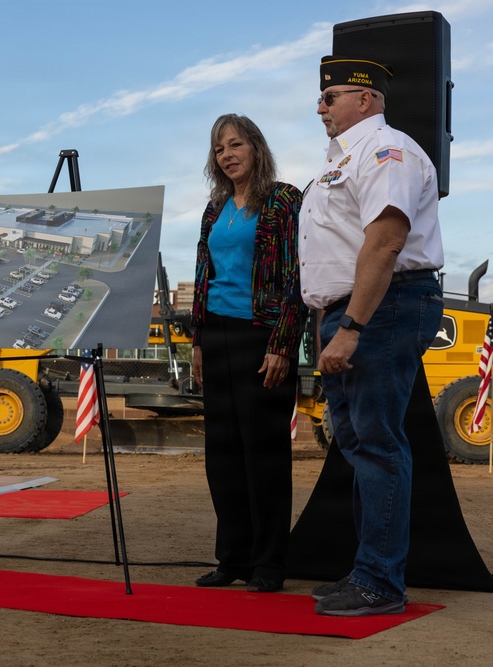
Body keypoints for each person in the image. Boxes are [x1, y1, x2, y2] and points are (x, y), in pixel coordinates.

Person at [299, 56, 444, 616]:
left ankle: (381, 582)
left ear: (367, 99)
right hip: (350, 311)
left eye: (330, 96)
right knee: (358, 445)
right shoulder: (340, 161)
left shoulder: (389, 151)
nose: (320, 107)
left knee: (378, 444)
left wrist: (353, 326)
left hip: (383, 307)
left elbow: (385, 244)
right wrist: (329, 322)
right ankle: (367, 570)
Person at [189, 114, 305, 593]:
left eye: (235, 145)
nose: (227, 155)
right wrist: (196, 341)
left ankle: (269, 564)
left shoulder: (284, 199)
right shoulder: (215, 208)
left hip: (262, 336)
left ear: (256, 147)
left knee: (264, 455)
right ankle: (231, 558)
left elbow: (299, 275)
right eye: (219, 149)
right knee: (222, 456)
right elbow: (202, 275)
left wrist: (283, 343)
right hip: (215, 337)